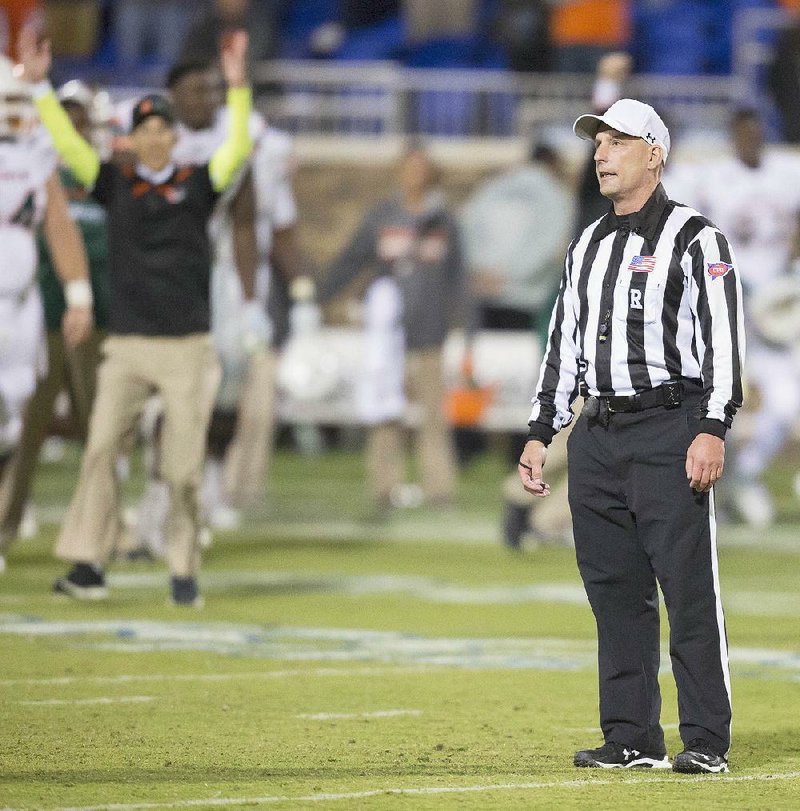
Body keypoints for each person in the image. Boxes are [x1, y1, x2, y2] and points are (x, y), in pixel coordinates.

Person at [518, 98, 744, 773]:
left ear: (654, 153)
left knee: (686, 589)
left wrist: (712, 425)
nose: (601, 154)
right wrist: (541, 430)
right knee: (614, 592)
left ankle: (704, 737)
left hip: (669, 427)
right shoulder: (586, 243)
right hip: (599, 432)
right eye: (597, 143)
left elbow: (726, 342)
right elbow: (564, 344)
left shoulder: (697, 237)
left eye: (617, 142)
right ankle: (630, 736)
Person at [19, 27, 255, 606]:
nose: (153, 139)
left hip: (186, 348)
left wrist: (239, 89)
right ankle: (87, 565)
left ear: (174, 137)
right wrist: (41, 88)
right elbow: (70, 151)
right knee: (99, 450)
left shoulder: (199, 183)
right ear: (132, 137)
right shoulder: (113, 184)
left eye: (162, 130)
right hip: (127, 345)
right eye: (144, 130)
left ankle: (182, 568)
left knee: (181, 470)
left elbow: (236, 151)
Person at [666, 108, 800, 527]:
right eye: (744, 134)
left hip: (779, 308)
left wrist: (788, 274)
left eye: (757, 134)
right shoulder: (712, 177)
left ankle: (745, 475)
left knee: (785, 402)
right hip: (728, 305)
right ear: (732, 137)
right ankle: (705, 486)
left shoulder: (787, 171)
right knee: (717, 397)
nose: (752, 142)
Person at [318, 143, 465, 515]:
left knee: (433, 413)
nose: (414, 175)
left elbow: (458, 279)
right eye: (408, 167)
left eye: (421, 168)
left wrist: (465, 327)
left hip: (430, 330)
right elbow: (352, 261)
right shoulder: (382, 216)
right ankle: (384, 485)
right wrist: (317, 296)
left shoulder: (444, 220)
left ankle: (439, 489)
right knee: (386, 409)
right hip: (388, 335)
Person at [0, 79, 109, 560]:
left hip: (42, 310)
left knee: (24, 422)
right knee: (15, 422)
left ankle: (97, 525)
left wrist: (80, 295)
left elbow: (63, 230)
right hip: (30, 307)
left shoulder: (47, 161)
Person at [459, 139, 574, 547]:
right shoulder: (556, 196)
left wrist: (484, 272)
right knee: (567, 427)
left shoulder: (496, 187)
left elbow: (467, 224)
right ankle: (530, 504)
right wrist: (513, 278)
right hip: (534, 310)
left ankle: (523, 497)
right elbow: (549, 245)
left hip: (486, 301)